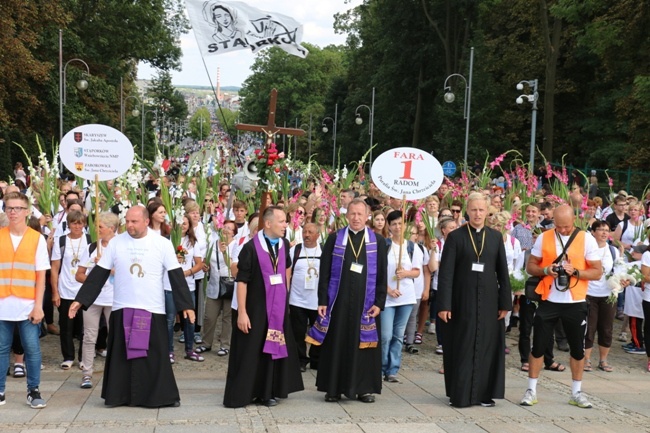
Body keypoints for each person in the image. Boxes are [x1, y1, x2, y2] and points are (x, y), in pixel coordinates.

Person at [69, 206, 195, 408]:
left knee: (153, 356)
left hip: (152, 308)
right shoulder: (116, 243)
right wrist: (81, 299)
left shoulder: (162, 244)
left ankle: (158, 396)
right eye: (127, 221)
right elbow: (99, 273)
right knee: (122, 356)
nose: (129, 225)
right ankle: (120, 396)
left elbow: (175, 275)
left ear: (146, 221)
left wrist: (186, 305)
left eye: (134, 221)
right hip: (122, 306)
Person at [521, 204, 602, 409]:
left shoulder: (586, 238)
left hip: (575, 301)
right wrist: (547, 270)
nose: (563, 230)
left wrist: (576, 272)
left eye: (566, 226)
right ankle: (531, 389)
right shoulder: (544, 236)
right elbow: (531, 266)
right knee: (538, 345)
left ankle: (576, 392)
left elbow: (597, 272)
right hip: (549, 299)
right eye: (558, 226)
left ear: (574, 220)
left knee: (577, 348)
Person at [307, 198, 388, 404]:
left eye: (360, 214)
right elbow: (324, 272)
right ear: (346, 215)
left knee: (364, 346)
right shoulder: (335, 239)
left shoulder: (377, 241)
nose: (356, 218)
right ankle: (333, 388)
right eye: (352, 213)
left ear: (367, 215)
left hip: (366, 304)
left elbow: (382, 275)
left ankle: (364, 388)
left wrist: (379, 302)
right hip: (338, 303)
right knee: (336, 343)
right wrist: (323, 300)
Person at [223, 206, 304, 408]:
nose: (286, 225)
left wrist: (285, 301)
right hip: (255, 309)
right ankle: (246, 392)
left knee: (272, 349)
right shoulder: (250, 248)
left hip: (276, 309)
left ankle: (269, 391)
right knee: (252, 351)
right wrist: (242, 312)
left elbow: (286, 271)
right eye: (282, 221)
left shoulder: (284, 244)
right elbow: (241, 281)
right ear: (268, 223)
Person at [437, 192, 512, 408]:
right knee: (462, 346)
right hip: (462, 301)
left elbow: (502, 272)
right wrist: (444, 304)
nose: (477, 214)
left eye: (481, 210)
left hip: (489, 301)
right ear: (467, 211)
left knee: (487, 346)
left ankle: (484, 394)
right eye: (473, 210)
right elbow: (446, 273)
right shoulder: (456, 237)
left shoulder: (496, 237)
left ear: (487, 211)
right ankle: (460, 394)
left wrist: (505, 303)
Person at [0, 192, 49, 408]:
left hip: (28, 304)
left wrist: (39, 306)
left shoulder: (36, 238)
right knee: (1, 349)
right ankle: (0, 390)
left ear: (27, 211)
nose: (13, 212)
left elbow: (41, 276)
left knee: (32, 349)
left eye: (18, 208)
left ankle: (33, 390)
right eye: (9, 208)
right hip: (2, 302)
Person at [74, 212, 118, 388]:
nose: (96, 229)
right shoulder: (92, 248)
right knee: (89, 336)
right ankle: (87, 374)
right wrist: (95, 276)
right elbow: (79, 275)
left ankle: (115, 373)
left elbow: (128, 276)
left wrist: (107, 268)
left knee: (115, 337)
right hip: (93, 299)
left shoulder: (120, 247)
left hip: (115, 299)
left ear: (111, 228)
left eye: (100, 226)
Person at [382, 211, 420, 379]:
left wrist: (405, 273)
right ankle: (381, 366)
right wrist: (388, 289)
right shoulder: (384, 246)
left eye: (400, 223)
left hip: (406, 296)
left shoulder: (412, 247)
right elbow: (377, 272)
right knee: (385, 335)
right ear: (389, 226)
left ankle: (393, 369)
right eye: (394, 224)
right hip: (388, 297)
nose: (398, 227)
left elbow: (417, 272)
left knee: (398, 335)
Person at [50, 210, 89, 370]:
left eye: (80, 223)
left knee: (84, 327)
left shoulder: (89, 240)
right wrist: (55, 291)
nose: (77, 226)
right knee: (66, 326)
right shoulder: (61, 241)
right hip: (66, 288)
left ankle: (83, 357)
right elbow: (54, 268)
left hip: (84, 291)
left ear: (84, 224)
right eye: (74, 223)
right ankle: (68, 357)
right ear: (69, 224)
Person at [584, 221, 619, 373]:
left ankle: (603, 360)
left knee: (606, 328)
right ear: (593, 232)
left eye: (607, 230)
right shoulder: (587, 249)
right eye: (600, 230)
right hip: (589, 293)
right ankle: (586, 359)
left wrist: (621, 280)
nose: (604, 233)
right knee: (588, 327)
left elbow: (619, 269)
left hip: (607, 294)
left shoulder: (613, 251)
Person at [288, 222, 322, 372]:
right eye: (305, 232)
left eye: (310, 232)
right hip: (297, 299)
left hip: (317, 301)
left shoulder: (324, 251)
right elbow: (287, 273)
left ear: (318, 235)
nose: (307, 235)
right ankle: (300, 359)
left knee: (317, 332)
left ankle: (316, 358)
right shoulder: (295, 250)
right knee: (298, 332)